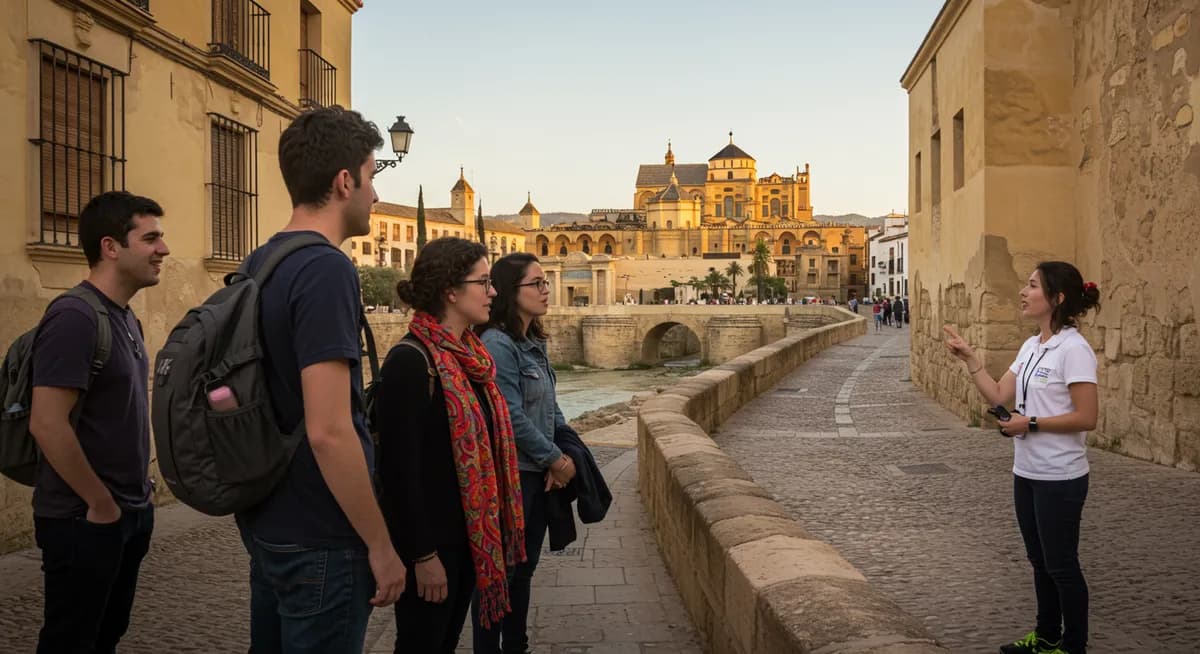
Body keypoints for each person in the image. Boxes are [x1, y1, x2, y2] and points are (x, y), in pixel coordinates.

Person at [236, 107, 406, 653]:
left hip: (269, 522)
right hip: (322, 536)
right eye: (372, 177)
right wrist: (380, 544)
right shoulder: (326, 269)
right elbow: (329, 431)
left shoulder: (260, 262)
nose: (376, 195)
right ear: (344, 181)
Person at [29, 191, 167, 654]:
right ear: (110, 247)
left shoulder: (125, 318)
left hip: (127, 513)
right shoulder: (75, 317)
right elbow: (47, 423)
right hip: (82, 520)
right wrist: (101, 504)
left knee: (105, 637)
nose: (163, 249)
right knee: (71, 642)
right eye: (150, 238)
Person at [943, 261, 1100, 654]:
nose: (1022, 292)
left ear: (1057, 298)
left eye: (1032, 285)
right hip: (1026, 472)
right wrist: (971, 359)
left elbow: (1087, 417)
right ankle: (1045, 638)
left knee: (1062, 565)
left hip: (1060, 477)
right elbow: (999, 394)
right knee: (1039, 560)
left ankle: (1073, 647)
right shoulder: (1032, 346)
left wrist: (1028, 423)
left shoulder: (1074, 350)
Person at [378, 238, 526, 652]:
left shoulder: (471, 359)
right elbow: (398, 474)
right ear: (451, 291)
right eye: (483, 282)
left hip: (469, 541)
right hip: (432, 548)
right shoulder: (411, 362)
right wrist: (423, 557)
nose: (493, 292)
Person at [473, 253, 578, 654]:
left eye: (545, 282)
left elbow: (549, 405)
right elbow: (510, 415)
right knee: (501, 574)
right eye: (536, 283)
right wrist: (555, 459)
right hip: (512, 477)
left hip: (535, 473)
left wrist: (560, 451)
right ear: (510, 292)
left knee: (524, 569)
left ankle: (516, 645)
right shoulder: (498, 344)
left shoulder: (533, 341)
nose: (545, 290)